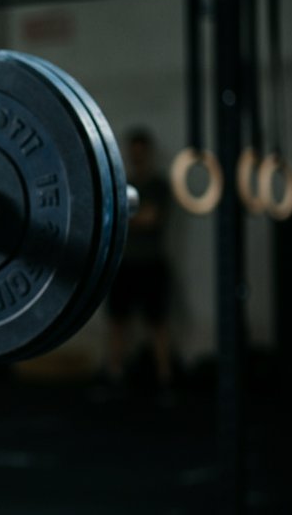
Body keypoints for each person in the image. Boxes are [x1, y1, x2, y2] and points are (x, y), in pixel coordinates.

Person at [103, 127, 175, 403]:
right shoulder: (123, 185)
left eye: (141, 152)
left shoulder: (157, 185)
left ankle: (165, 380)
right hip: (124, 264)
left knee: (157, 323)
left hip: (150, 264)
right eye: (133, 152)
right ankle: (114, 376)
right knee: (117, 323)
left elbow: (149, 219)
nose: (136, 157)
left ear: (148, 153)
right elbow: (119, 217)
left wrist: (125, 218)